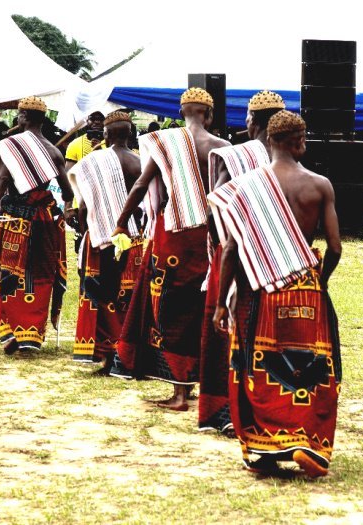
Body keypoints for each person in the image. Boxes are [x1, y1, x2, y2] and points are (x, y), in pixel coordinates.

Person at [211, 110, 342, 478]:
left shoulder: (245, 186)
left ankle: (265, 449)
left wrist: (222, 302)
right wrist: (321, 280)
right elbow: (334, 247)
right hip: (306, 289)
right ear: (299, 141)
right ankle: (308, 442)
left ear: (268, 140)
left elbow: (232, 251)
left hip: (260, 292)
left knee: (260, 363)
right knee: (312, 363)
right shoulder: (320, 184)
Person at [111, 88, 230, 410]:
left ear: (182, 113)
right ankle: (200, 381)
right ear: (208, 114)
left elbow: (140, 185)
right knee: (204, 304)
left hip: (173, 235)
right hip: (211, 234)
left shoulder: (166, 143)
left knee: (170, 307)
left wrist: (122, 222)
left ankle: (180, 392)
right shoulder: (224, 148)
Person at [198, 90, 283, 434]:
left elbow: (215, 206)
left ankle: (226, 411)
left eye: (247, 117)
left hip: (236, 252)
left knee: (227, 330)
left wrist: (219, 243)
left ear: (254, 121)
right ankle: (267, 406)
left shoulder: (235, 157)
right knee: (265, 333)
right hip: (276, 257)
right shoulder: (291, 156)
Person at [0, 97, 74, 354]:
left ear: (23, 117)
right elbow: (66, 192)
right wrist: (68, 210)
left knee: (3, 271)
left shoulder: (11, 145)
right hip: (43, 220)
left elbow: (1, 181)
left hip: (13, 216)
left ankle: (10, 333)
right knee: (39, 273)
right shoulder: (54, 151)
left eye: (19, 115)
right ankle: (30, 334)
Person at [70, 111, 145, 374]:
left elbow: (83, 204)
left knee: (100, 295)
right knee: (128, 296)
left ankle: (106, 354)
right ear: (130, 134)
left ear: (106, 134)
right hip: (134, 237)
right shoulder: (140, 163)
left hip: (100, 236)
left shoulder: (93, 161)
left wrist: (84, 231)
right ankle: (127, 353)